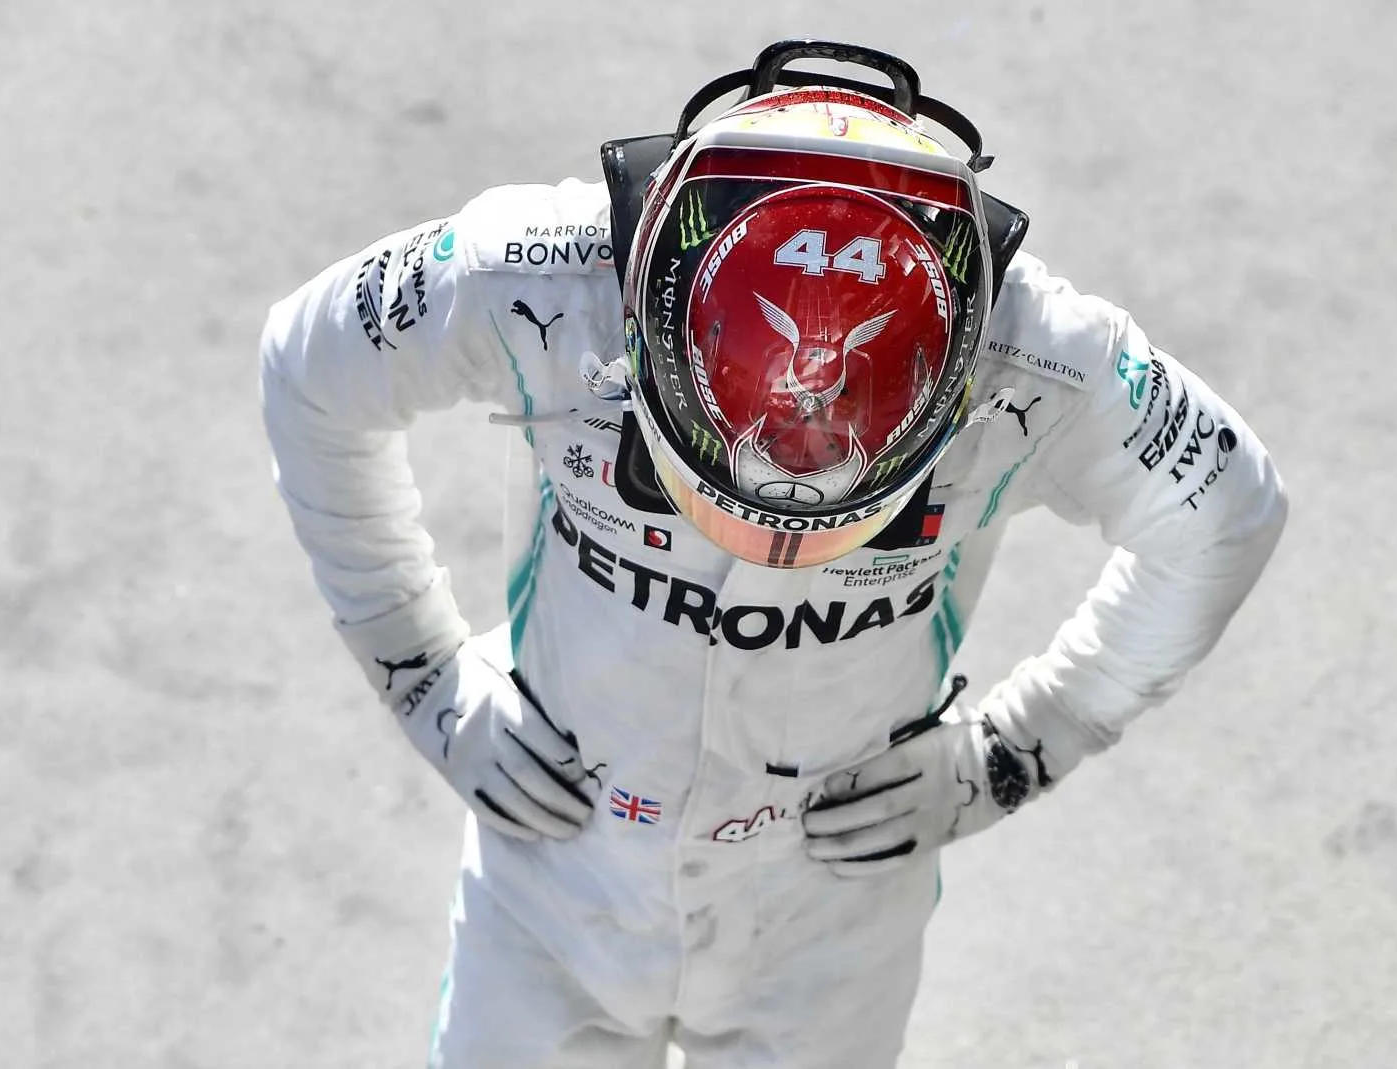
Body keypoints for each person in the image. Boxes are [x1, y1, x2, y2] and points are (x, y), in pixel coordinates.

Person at [259, 39, 1288, 1069]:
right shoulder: (538, 271)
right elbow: (308, 365)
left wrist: (1024, 745)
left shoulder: (1037, 350)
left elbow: (1227, 511)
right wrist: (418, 669)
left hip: (825, 919)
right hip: (554, 878)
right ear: (648, 313)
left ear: (957, 374)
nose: (790, 501)